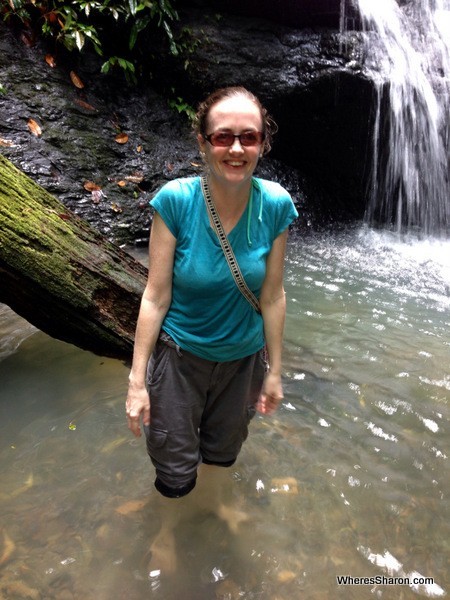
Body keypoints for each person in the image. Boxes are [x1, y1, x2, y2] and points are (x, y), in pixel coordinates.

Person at [125, 86, 297, 570]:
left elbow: (273, 295)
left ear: (263, 143)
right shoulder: (176, 201)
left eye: (249, 137)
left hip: (243, 361)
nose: (236, 149)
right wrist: (138, 381)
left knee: (224, 448)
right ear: (203, 143)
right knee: (175, 460)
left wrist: (275, 371)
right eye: (223, 137)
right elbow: (155, 295)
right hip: (181, 360)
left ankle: (220, 501)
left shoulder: (276, 206)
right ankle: (168, 527)